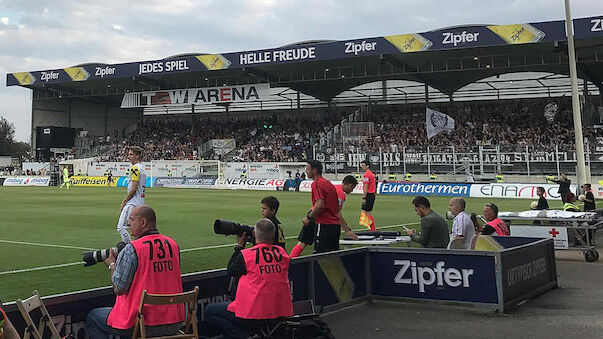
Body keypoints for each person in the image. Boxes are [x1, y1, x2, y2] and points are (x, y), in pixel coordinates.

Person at [86, 205, 184, 338]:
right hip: (175, 320)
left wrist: (112, 265)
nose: (128, 224)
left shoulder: (133, 249)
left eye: (131, 220)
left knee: (93, 317)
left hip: (143, 323)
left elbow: (119, 288)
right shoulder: (173, 244)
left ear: (143, 222)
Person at [204, 219, 293, 339]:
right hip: (280, 313)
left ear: (255, 234)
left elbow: (231, 270)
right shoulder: (282, 254)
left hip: (254, 314)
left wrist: (239, 246)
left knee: (210, 311)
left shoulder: (247, 255)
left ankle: (244, 336)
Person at [290, 175, 359, 257]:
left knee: (303, 242)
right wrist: (347, 231)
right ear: (350, 185)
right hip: (321, 218)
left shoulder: (334, 187)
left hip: (312, 213)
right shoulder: (340, 194)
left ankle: (290, 261)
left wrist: (346, 226)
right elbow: (337, 213)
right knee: (324, 250)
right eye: (353, 188)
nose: (352, 190)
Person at [290, 160, 341, 257]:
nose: (306, 171)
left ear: (315, 171)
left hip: (324, 224)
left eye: (308, 169)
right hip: (335, 225)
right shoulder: (329, 184)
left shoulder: (316, 183)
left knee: (320, 257)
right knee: (333, 257)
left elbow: (320, 204)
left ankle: (290, 264)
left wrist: (308, 217)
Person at [117, 146, 147, 243]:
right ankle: (141, 247)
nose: (128, 156)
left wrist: (124, 202)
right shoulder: (141, 168)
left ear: (137, 156)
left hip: (132, 203)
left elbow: (134, 188)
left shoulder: (135, 169)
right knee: (136, 229)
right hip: (140, 202)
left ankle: (129, 248)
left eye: (131, 154)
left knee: (121, 227)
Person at [360, 160, 377, 231]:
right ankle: (370, 227)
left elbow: (366, 187)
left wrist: (364, 197)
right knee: (367, 212)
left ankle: (372, 229)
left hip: (368, 195)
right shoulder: (371, 174)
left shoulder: (366, 175)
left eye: (363, 165)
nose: (362, 167)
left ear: (367, 166)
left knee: (367, 213)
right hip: (371, 194)